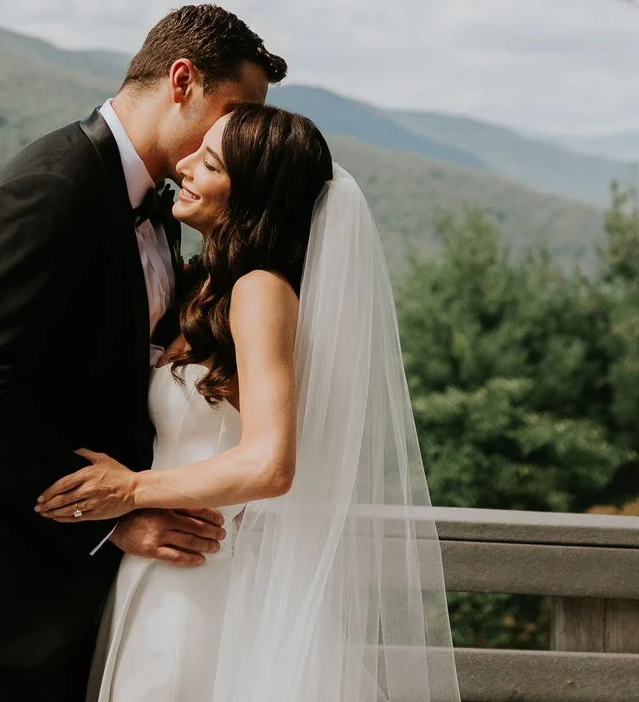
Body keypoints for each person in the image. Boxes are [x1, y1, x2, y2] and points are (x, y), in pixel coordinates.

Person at [0, 5, 285, 702]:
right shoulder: (47, 187)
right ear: (181, 80)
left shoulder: (160, 211)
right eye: (231, 112)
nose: (236, 138)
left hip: (90, 598)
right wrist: (114, 516)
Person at [34, 105, 460, 702]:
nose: (182, 165)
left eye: (208, 162)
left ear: (254, 195)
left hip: (208, 583)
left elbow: (270, 464)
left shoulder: (260, 291)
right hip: (168, 569)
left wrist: (129, 491)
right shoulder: (208, 287)